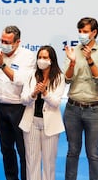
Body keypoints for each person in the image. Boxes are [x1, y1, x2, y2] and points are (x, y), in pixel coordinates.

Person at [0, 25, 36, 180]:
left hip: (20, 108)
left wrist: (2, 65)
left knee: (23, 149)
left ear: (17, 42)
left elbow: (20, 80)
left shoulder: (28, 56)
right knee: (6, 149)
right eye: (1, 40)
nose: (3, 44)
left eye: (7, 41)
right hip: (0, 108)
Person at [63, 17, 98, 180]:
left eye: (85, 32)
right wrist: (71, 63)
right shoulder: (73, 51)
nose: (81, 35)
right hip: (72, 109)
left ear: (94, 33)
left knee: (93, 153)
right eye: (79, 31)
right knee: (72, 151)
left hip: (94, 109)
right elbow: (67, 79)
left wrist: (90, 59)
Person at [18, 45, 65, 180]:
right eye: (39, 57)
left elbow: (55, 103)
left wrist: (44, 92)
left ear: (51, 60)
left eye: (45, 57)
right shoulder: (31, 75)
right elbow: (23, 99)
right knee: (31, 161)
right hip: (31, 123)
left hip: (50, 124)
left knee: (49, 163)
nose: (41, 60)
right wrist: (34, 93)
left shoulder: (59, 77)